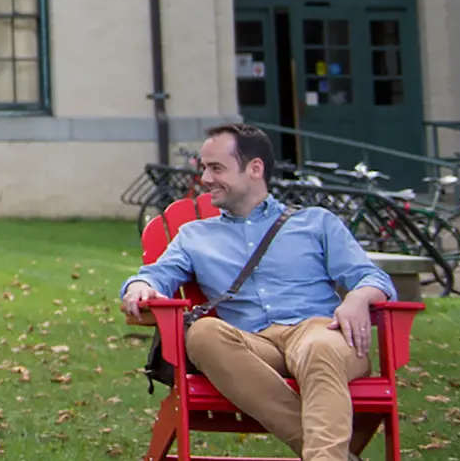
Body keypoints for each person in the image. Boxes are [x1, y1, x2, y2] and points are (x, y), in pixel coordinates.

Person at [120, 123, 397, 461]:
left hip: (320, 333)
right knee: (203, 333)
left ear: (254, 169)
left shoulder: (316, 223)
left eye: (216, 168)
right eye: (203, 168)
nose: (205, 178)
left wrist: (358, 297)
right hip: (251, 344)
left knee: (320, 349)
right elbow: (154, 276)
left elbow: (372, 277)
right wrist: (139, 288)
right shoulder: (194, 236)